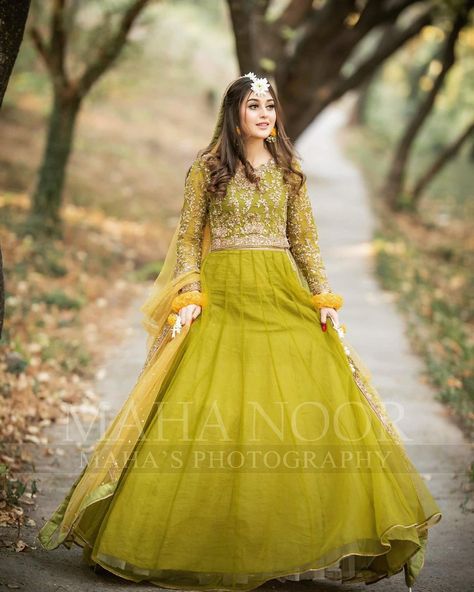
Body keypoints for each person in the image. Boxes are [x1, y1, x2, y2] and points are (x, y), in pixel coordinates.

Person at [37, 72, 442, 591]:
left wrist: (324, 299)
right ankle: (191, 540)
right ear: (234, 114)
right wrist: (188, 297)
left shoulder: (290, 172)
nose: (265, 114)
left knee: (293, 409)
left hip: (279, 295)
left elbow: (305, 241)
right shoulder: (206, 170)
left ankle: (282, 544)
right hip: (224, 297)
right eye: (254, 105)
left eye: (270, 105)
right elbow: (186, 240)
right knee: (214, 413)